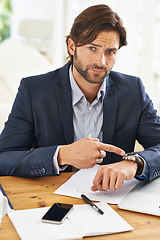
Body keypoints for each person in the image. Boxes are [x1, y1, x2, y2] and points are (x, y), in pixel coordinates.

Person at [0, 4, 160, 192]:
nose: (101, 62)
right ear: (71, 46)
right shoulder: (34, 90)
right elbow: (4, 157)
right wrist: (61, 155)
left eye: (110, 52)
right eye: (93, 48)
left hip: (113, 199)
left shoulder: (133, 90)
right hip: (50, 199)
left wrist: (133, 163)